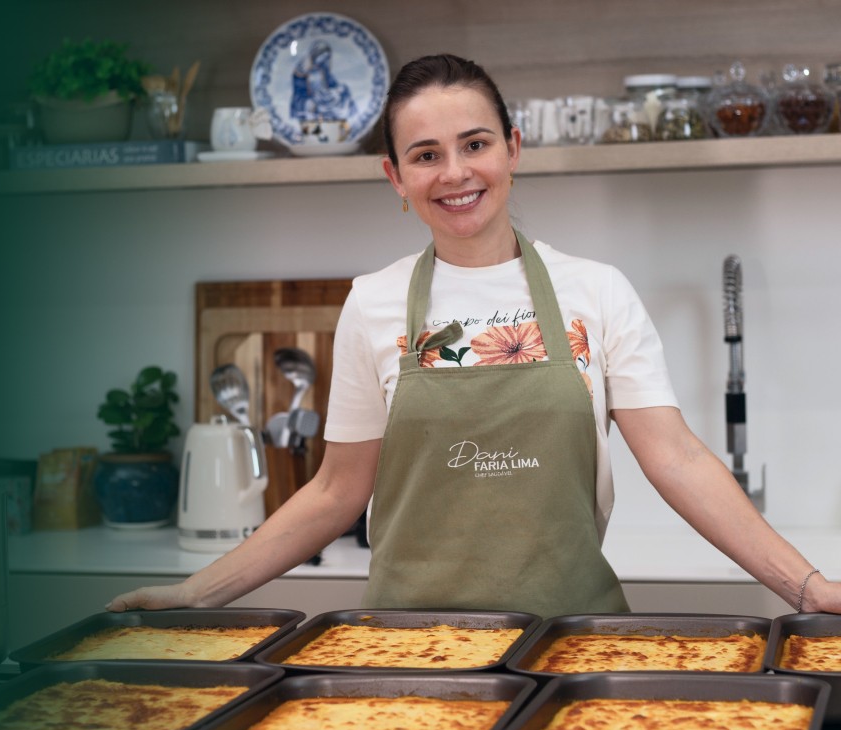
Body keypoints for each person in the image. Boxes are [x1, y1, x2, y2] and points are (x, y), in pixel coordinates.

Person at [108, 54, 840, 619]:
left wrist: (806, 587)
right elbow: (334, 491)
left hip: (567, 639)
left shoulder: (596, 292)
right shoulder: (372, 303)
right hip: (409, 648)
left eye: (475, 143)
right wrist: (194, 592)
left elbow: (676, 458)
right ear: (395, 176)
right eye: (425, 154)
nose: (454, 173)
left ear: (512, 149)